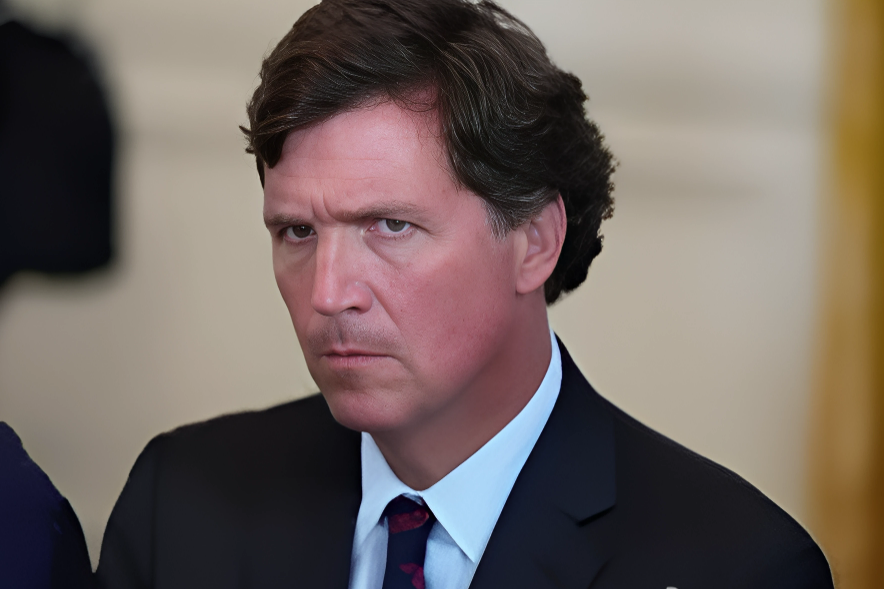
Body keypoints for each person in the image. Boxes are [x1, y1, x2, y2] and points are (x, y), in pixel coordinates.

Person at [96, 1, 834, 587]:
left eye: (390, 225)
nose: (328, 293)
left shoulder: (736, 564)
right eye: (296, 231)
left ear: (534, 241)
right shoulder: (181, 504)